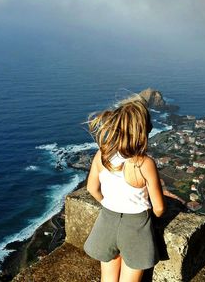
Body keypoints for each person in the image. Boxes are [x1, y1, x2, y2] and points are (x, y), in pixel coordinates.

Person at [83, 95, 166, 282]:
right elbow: (159, 208)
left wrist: (108, 203)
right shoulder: (144, 163)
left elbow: (92, 188)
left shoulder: (102, 154)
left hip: (107, 221)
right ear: (143, 131)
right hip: (136, 227)